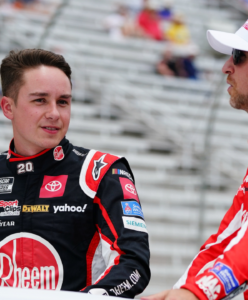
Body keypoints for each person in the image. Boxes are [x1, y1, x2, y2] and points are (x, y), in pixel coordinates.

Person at [142, 7, 248, 300]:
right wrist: (181, 292)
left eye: (239, 56)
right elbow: (225, 240)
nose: (226, 66)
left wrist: (199, 293)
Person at [0, 49, 150, 297]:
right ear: (8, 107)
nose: (55, 114)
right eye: (40, 100)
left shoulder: (101, 170)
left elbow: (133, 265)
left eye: (63, 101)